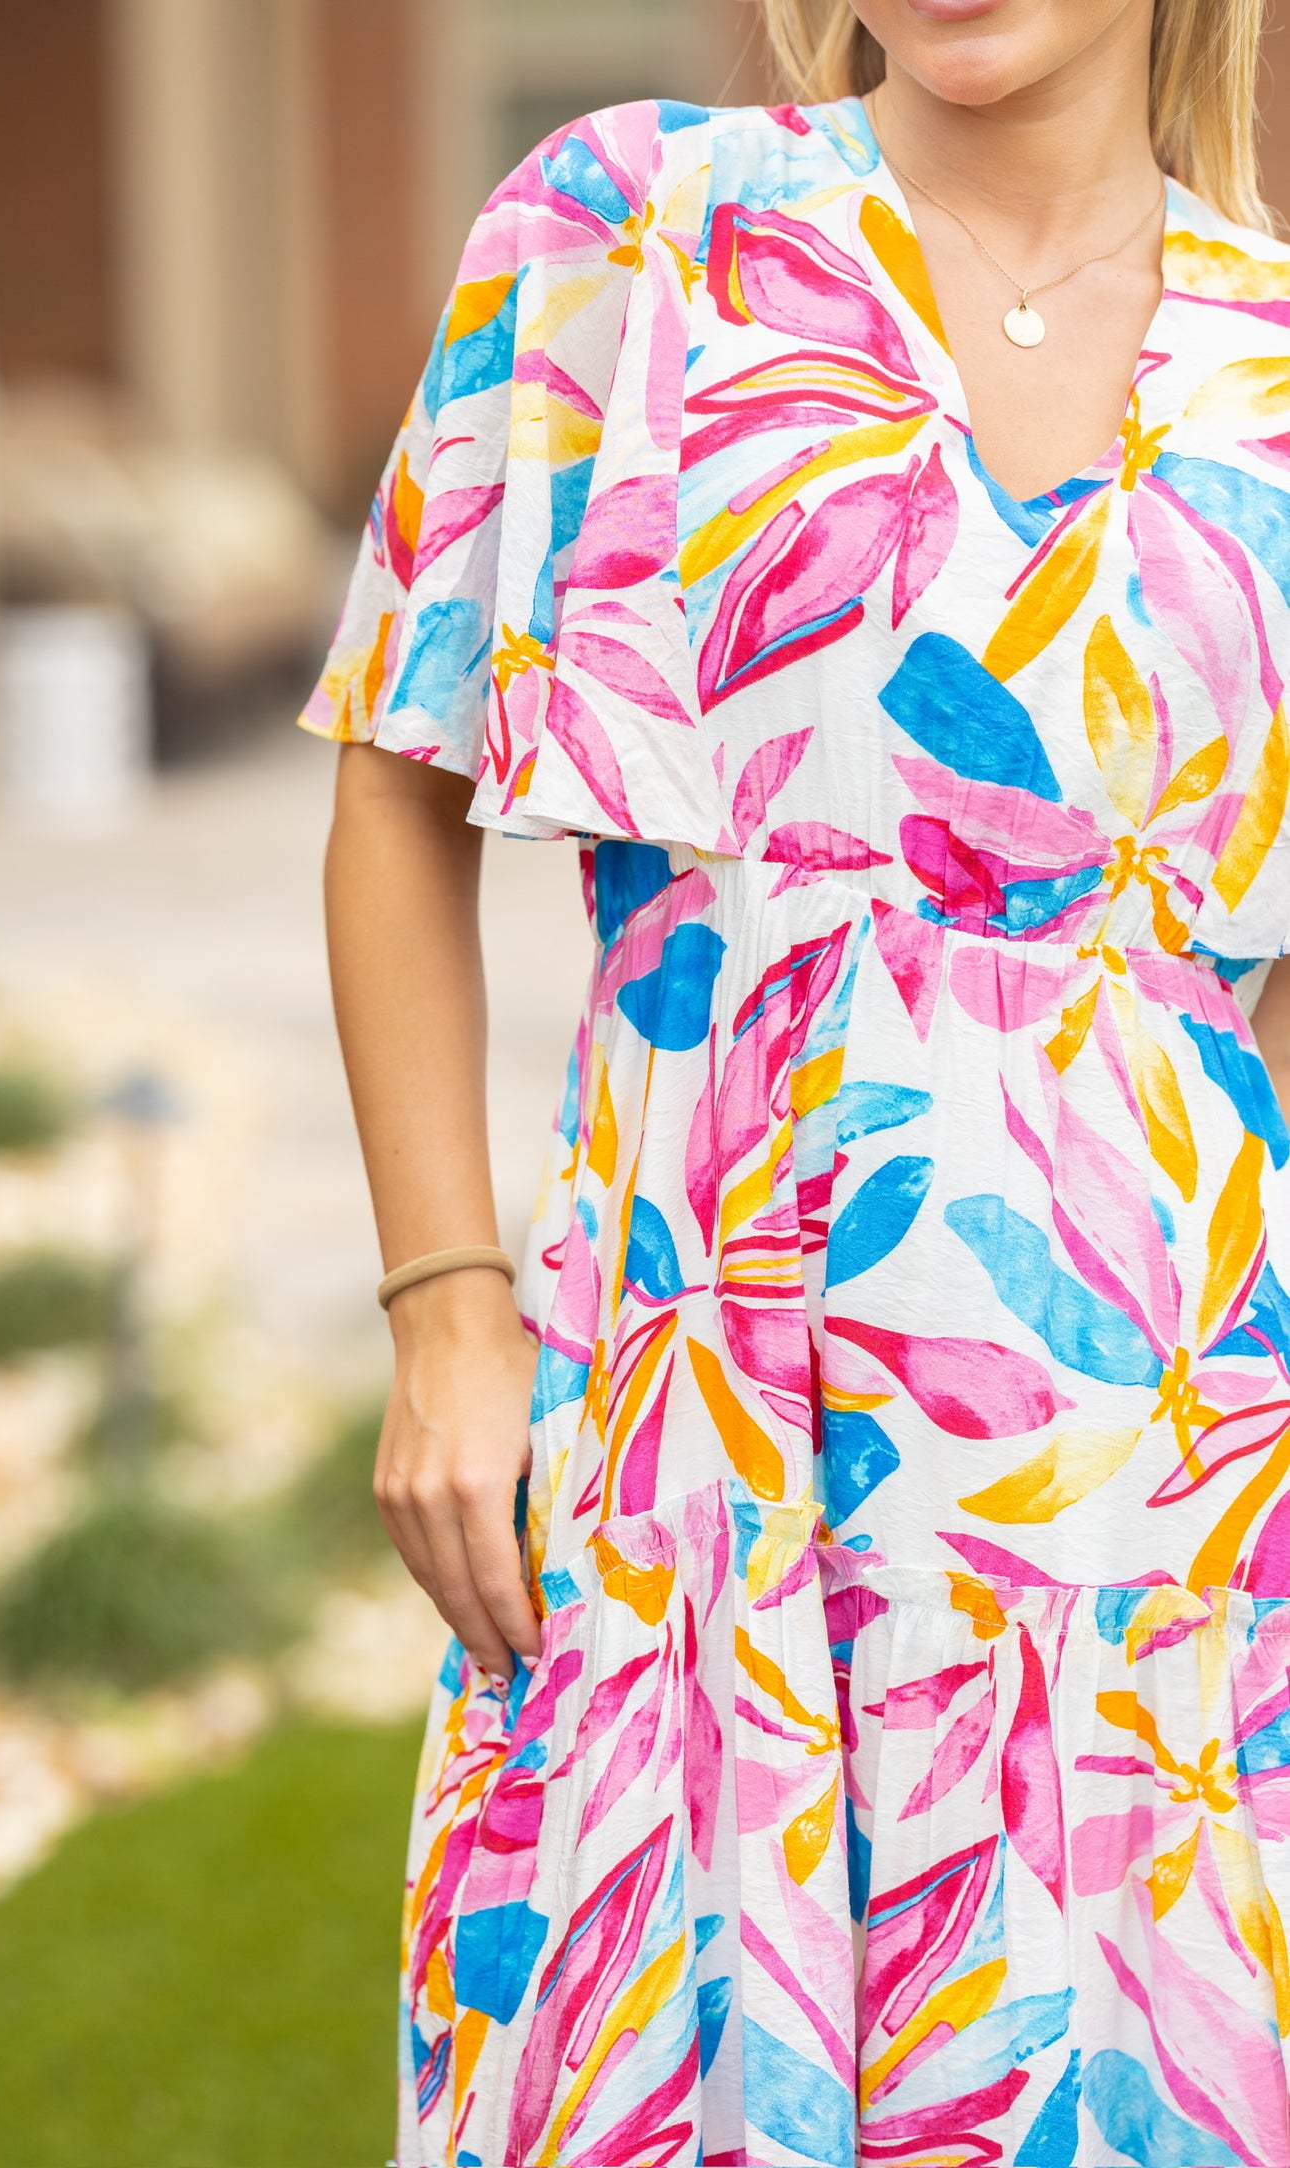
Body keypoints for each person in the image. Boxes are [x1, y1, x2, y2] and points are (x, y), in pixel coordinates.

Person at [307, 0, 1290, 2158]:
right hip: (694, 1447)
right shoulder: (636, 235)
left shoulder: (1275, 372)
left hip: (1159, 1521)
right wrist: (447, 1305)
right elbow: (399, 779)